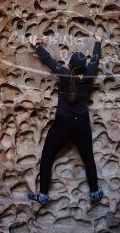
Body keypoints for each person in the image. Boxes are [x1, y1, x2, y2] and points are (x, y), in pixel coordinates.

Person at [27, 35, 104, 204]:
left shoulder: (64, 74)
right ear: (83, 67)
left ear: (70, 64)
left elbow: (48, 61)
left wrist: (36, 45)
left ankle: (44, 194)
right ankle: (94, 193)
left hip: (62, 123)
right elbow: (95, 61)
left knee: (47, 157)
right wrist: (98, 41)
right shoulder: (89, 74)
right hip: (81, 123)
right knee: (88, 158)